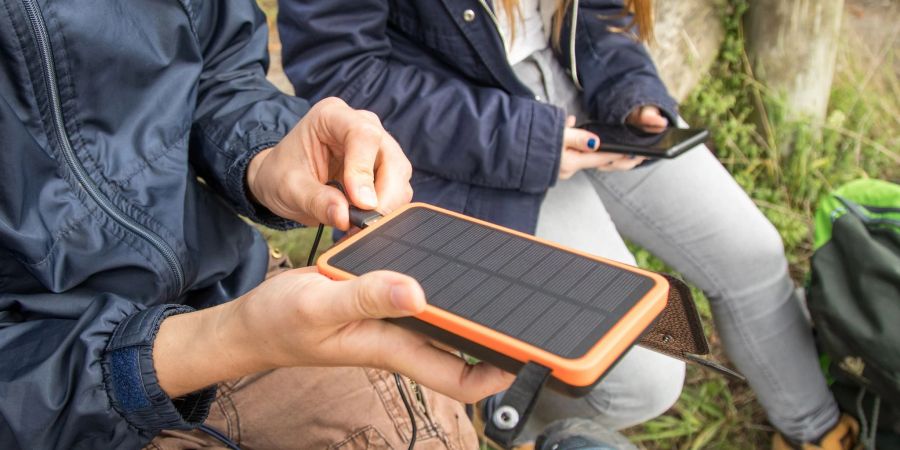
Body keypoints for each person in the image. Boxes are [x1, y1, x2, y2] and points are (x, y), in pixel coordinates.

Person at [277, 0, 860, 447]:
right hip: (455, 146)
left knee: (753, 253)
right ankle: (493, 415)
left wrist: (632, 94)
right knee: (640, 377)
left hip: (595, 111)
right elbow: (340, 69)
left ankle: (814, 428)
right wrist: (527, 140)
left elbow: (601, 14)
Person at [0, 1, 513, 449]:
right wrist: (221, 341)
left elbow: (219, 72)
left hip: (229, 284)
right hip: (57, 388)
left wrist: (265, 158)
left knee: (429, 417)